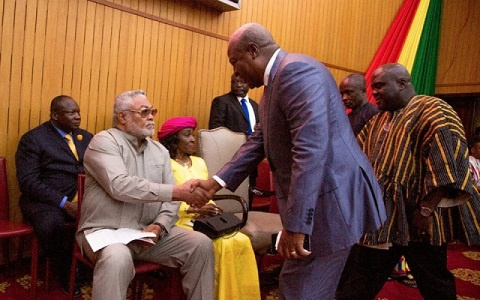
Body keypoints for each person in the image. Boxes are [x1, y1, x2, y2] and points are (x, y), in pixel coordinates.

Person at [197, 23, 386, 300]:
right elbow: (258, 142)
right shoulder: (275, 84)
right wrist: (214, 184)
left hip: (328, 205)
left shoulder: (296, 73)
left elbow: (310, 150)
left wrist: (297, 225)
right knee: (304, 286)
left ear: (252, 51)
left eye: (235, 62)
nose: (234, 71)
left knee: (301, 290)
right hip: (321, 203)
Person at [336, 63, 478, 300]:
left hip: (419, 220)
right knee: (360, 279)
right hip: (385, 218)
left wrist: (425, 210)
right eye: (373, 87)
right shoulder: (380, 120)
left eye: (380, 85)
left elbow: (449, 162)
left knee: (434, 281)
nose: (375, 92)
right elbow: (355, 155)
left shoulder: (434, 110)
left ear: (402, 83)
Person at [76, 90, 214, 300]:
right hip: (107, 232)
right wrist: (176, 192)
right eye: (144, 112)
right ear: (122, 116)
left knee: (201, 244)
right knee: (116, 258)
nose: (151, 117)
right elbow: (119, 185)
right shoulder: (103, 142)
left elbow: (171, 202)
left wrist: (160, 226)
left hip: (148, 234)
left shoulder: (159, 151)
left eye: (153, 111)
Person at [158, 116, 261, 300]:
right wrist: (191, 210)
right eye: (187, 135)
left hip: (206, 220)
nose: (192, 139)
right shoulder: (165, 166)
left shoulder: (199, 162)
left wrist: (212, 208)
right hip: (180, 221)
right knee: (224, 244)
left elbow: (208, 195)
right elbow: (162, 198)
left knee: (240, 241)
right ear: (174, 139)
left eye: (193, 135)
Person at [15, 95, 93, 295]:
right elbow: (28, 182)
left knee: (112, 215)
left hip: (83, 196)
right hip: (45, 200)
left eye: (78, 112)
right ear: (55, 115)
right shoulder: (33, 139)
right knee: (52, 225)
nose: (77, 117)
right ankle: (67, 273)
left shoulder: (87, 137)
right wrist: (64, 203)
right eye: (71, 113)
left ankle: (91, 266)